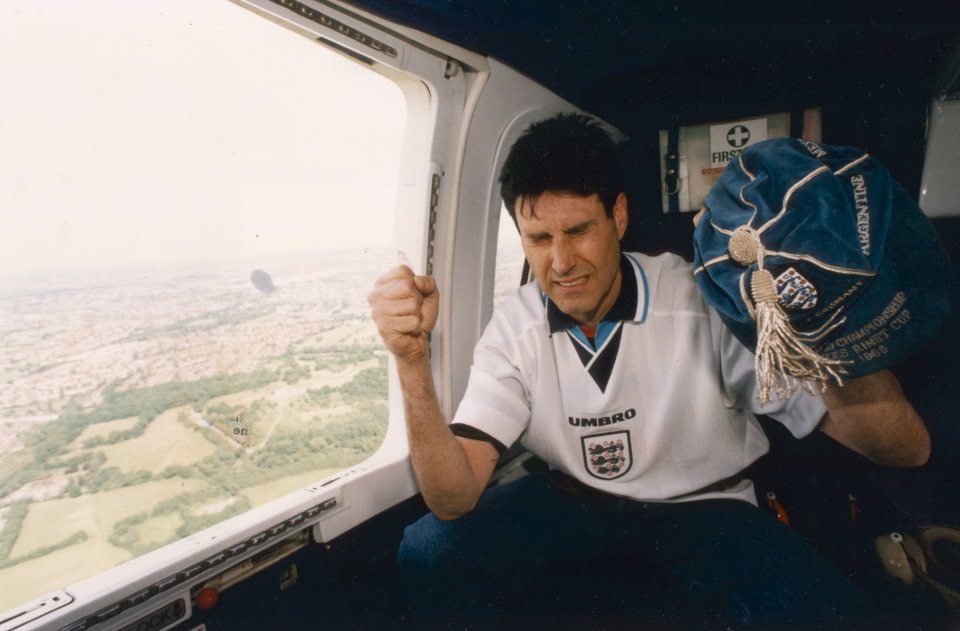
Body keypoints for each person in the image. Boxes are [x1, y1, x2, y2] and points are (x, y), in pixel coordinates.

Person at [367, 113, 930, 626]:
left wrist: (832, 327)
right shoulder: (514, 325)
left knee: (830, 616)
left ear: (618, 214)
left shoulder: (703, 298)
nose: (560, 263)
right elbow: (453, 498)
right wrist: (412, 360)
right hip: (578, 502)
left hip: (708, 508)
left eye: (579, 230)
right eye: (539, 238)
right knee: (431, 548)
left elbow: (905, 450)